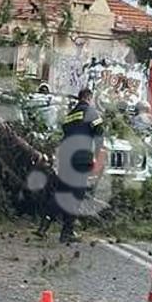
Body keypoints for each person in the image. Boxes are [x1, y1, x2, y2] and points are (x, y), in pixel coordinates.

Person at [37, 87, 104, 243]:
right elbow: (99, 135)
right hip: (81, 159)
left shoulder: (70, 115)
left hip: (66, 158)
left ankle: (43, 226)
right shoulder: (91, 112)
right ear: (89, 98)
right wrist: (96, 156)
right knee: (76, 195)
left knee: (62, 192)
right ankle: (67, 232)